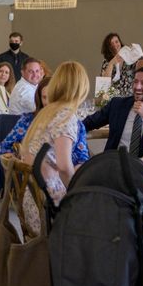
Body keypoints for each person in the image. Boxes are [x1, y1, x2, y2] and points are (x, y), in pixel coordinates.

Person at [20, 61, 90, 233]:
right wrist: (80, 193)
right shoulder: (65, 116)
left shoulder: (46, 112)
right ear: (81, 88)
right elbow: (64, 166)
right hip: (49, 210)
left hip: (32, 200)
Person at [83, 65, 143, 157]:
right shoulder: (117, 104)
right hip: (114, 164)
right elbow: (88, 123)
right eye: (135, 82)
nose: (137, 87)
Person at [100, 32, 136, 98]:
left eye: (116, 42)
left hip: (130, 97)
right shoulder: (106, 62)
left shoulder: (130, 58)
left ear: (120, 43)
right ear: (108, 48)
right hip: (114, 99)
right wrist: (111, 63)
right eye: (111, 44)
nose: (114, 45)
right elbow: (103, 84)